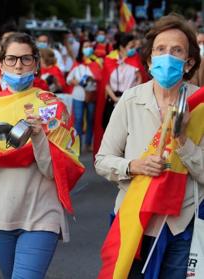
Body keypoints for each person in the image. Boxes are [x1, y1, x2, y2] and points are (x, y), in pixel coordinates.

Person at [95, 14, 204, 279]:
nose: (168, 56)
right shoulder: (131, 100)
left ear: (189, 62)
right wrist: (133, 166)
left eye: (177, 50)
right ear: (149, 59)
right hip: (134, 219)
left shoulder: (200, 105)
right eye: (161, 49)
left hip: (182, 224)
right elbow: (102, 159)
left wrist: (181, 141)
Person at [0, 32, 84, 279]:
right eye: (11, 59)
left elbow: (56, 170)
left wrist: (39, 136)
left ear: (37, 64)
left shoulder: (52, 107)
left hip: (41, 214)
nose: (18, 65)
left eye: (26, 59)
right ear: (0, 64)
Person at [93, 32, 146, 156]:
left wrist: (131, 91)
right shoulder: (109, 60)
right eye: (130, 46)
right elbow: (105, 83)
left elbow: (140, 79)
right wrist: (115, 98)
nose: (133, 49)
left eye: (134, 46)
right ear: (122, 47)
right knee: (110, 129)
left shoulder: (135, 59)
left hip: (130, 98)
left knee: (129, 130)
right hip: (113, 99)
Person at [66, 39, 102, 152]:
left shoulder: (96, 62)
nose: (88, 48)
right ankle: (78, 145)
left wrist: (91, 81)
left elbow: (100, 78)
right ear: (81, 49)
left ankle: (88, 144)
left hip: (91, 95)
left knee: (91, 120)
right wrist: (76, 82)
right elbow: (68, 79)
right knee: (78, 119)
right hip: (78, 96)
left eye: (90, 46)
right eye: (86, 46)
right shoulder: (77, 63)